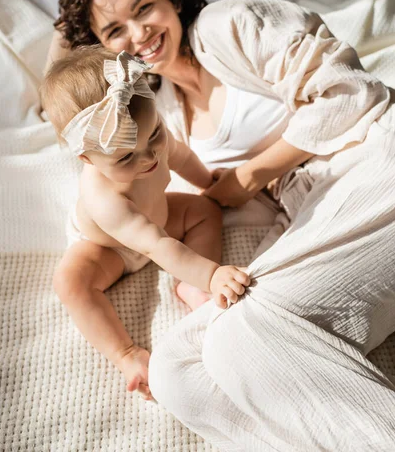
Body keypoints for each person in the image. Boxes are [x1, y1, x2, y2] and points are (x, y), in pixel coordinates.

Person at [46, 0, 395, 450]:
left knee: (230, 339)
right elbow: (61, 97)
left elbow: (351, 91)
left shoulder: (225, 27)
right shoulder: (152, 110)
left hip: (370, 161)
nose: (139, 34)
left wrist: (246, 177)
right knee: (179, 370)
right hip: (318, 207)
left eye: (144, 8)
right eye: (114, 31)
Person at [40, 45, 250, 402]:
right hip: (110, 248)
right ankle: (126, 354)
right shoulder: (103, 198)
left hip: (159, 217)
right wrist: (213, 274)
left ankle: (189, 287)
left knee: (206, 210)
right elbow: (156, 244)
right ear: (86, 158)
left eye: (153, 134)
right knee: (70, 281)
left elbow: (181, 156)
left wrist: (206, 182)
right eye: (125, 156)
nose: (150, 155)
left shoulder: (152, 137)